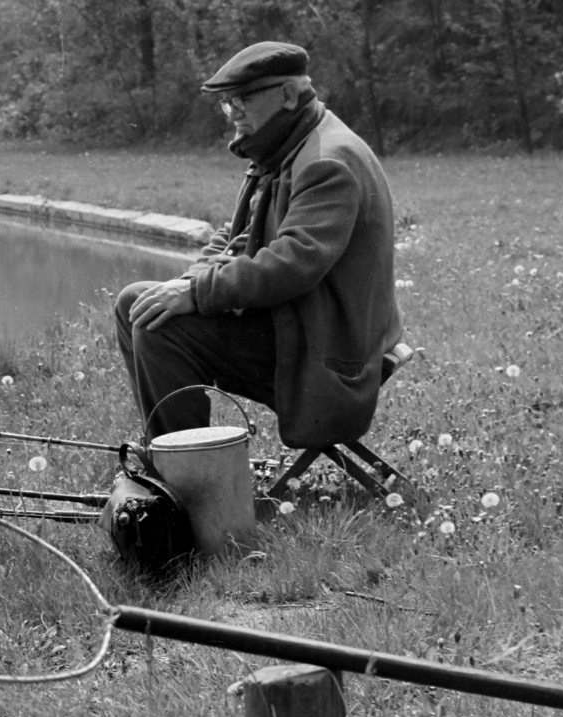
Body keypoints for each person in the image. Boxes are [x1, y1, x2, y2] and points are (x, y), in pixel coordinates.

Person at [114, 41, 402, 449]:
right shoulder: (287, 147)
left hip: (329, 354)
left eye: (243, 100)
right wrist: (186, 284)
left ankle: (189, 474)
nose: (235, 113)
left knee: (164, 328)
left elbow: (293, 262)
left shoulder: (327, 161)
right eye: (228, 104)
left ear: (287, 95)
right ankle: (169, 455)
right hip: (297, 325)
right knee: (137, 302)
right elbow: (234, 237)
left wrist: (196, 294)